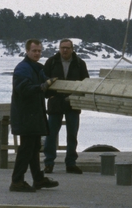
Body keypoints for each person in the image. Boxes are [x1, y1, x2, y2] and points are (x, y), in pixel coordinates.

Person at [10, 39, 58, 193]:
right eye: (34, 51)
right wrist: (42, 87)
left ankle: (38, 179)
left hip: (35, 115)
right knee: (26, 149)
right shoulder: (22, 69)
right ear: (27, 51)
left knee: (34, 148)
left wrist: (51, 89)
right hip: (26, 115)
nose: (37, 53)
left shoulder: (37, 68)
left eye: (39, 51)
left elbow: (43, 88)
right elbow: (24, 89)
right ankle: (17, 181)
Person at [43, 38, 89, 174]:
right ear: (59, 48)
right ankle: (49, 163)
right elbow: (43, 80)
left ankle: (71, 163)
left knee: (72, 135)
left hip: (73, 103)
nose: (64, 50)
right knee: (51, 135)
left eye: (67, 48)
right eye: (62, 47)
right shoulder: (51, 62)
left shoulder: (79, 63)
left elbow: (85, 83)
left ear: (72, 49)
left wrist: (78, 97)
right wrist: (49, 95)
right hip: (55, 103)